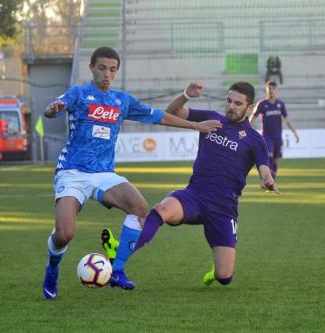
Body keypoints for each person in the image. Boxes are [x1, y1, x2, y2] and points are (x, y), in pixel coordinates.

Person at [41, 46, 222, 300]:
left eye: (112, 70)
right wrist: (54, 108)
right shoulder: (79, 94)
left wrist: (195, 125)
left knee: (139, 206)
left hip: (104, 173)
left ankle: (117, 270)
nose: (107, 74)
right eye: (102, 68)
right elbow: (52, 108)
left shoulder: (121, 100)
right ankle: (52, 269)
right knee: (64, 234)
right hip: (72, 172)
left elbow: (158, 116)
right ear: (91, 68)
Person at [105, 80, 278, 287]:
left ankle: (216, 272)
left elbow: (264, 171)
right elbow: (172, 112)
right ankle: (121, 251)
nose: (231, 106)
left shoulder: (254, 140)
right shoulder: (211, 118)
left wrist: (267, 181)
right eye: (229, 101)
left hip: (224, 208)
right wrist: (186, 94)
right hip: (194, 195)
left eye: (238, 104)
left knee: (225, 277)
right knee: (161, 210)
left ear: (249, 107)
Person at [250, 81, 299, 179]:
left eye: (273, 89)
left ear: (277, 90)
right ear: (266, 90)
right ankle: (269, 176)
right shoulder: (262, 104)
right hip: (267, 135)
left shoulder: (280, 104)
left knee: (276, 158)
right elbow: (252, 117)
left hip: (277, 136)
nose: (271, 91)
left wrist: (295, 133)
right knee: (269, 155)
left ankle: (273, 173)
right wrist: (246, 129)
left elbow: (287, 120)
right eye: (269, 89)